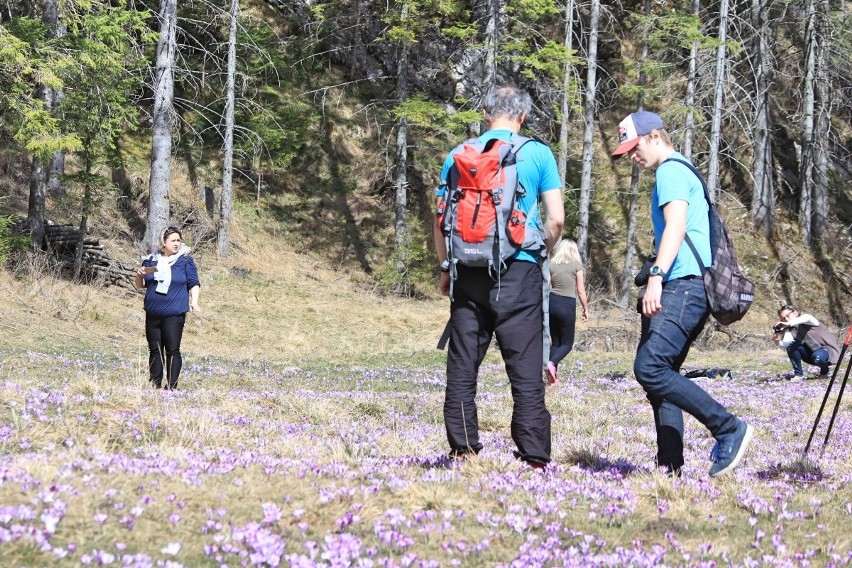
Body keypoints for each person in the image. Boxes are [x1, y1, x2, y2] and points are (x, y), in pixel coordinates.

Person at [612, 110, 753, 477]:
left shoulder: (671, 171)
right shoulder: (678, 169)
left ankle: (728, 428)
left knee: (650, 367)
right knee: (662, 377)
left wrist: (657, 275)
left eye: (634, 146)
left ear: (654, 136)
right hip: (685, 285)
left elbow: (675, 225)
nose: (631, 156)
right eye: (626, 151)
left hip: (683, 286)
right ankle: (670, 467)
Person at [434, 85, 564, 469]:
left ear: (486, 114)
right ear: (521, 116)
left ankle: (463, 449)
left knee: (462, 364)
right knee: (524, 366)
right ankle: (534, 455)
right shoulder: (537, 153)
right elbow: (556, 218)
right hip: (520, 268)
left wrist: (446, 267)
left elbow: (440, 219)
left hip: (467, 271)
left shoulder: (458, 156)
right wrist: (540, 246)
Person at [134, 226, 200, 389]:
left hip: (174, 313)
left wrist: (194, 302)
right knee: (155, 350)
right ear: (163, 242)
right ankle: (154, 384)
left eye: (178, 240)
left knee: (172, 350)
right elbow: (140, 285)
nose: (177, 244)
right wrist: (139, 275)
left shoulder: (185, 261)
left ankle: (171, 387)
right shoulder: (151, 260)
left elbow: (194, 283)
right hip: (153, 312)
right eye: (173, 240)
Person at [545, 238, 589, 385]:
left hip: (551, 303)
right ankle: (551, 363)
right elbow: (581, 291)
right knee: (567, 344)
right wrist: (585, 308)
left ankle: (553, 378)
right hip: (567, 304)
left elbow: (546, 285)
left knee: (555, 343)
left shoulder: (551, 264)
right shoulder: (576, 265)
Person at [774, 305, 840, 381]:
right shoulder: (791, 329)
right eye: (783, 318)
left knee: (818, 356)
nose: (786, 319)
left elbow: (807, 317)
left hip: (828, 352)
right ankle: (799, 375)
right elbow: (785, 345)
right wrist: (776, 339)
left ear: (795, 312)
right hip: (812, 354)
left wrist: (789, 323)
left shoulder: (809, 320)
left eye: (788, 315)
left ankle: (825, 371)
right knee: (792, 346)